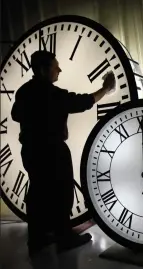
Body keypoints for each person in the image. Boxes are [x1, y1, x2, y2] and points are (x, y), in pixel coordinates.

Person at [11, 50, 115, 257]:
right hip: (53, 149)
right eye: (55, 66)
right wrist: (106, 88)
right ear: (43, 69)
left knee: (38, 191)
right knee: (62, 191)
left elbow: (16, 115)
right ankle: (64, 237)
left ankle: (38, 238)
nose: (60, 69)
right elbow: (82, 102)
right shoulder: (51, 94)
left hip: (31, 150)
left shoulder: (24, 92)